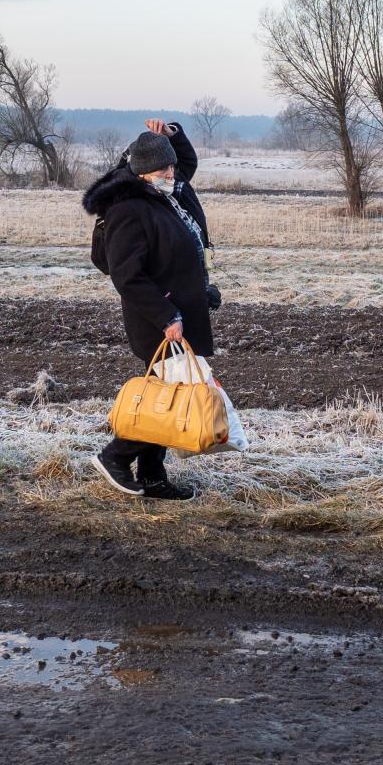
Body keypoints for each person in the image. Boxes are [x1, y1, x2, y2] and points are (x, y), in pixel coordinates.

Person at [81, 122, 214, 501]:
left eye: (171, 167)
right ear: (140, 173)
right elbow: (126, 275)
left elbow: (185, 161)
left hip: (179, 309)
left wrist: (172, 135)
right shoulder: (129, 208)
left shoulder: (165, 191)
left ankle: (153, 476)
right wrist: (167, 316)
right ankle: (114, 458)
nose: (171, 174)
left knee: (167, 397)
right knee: (167, 396)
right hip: (156, 318)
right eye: (162, 170)